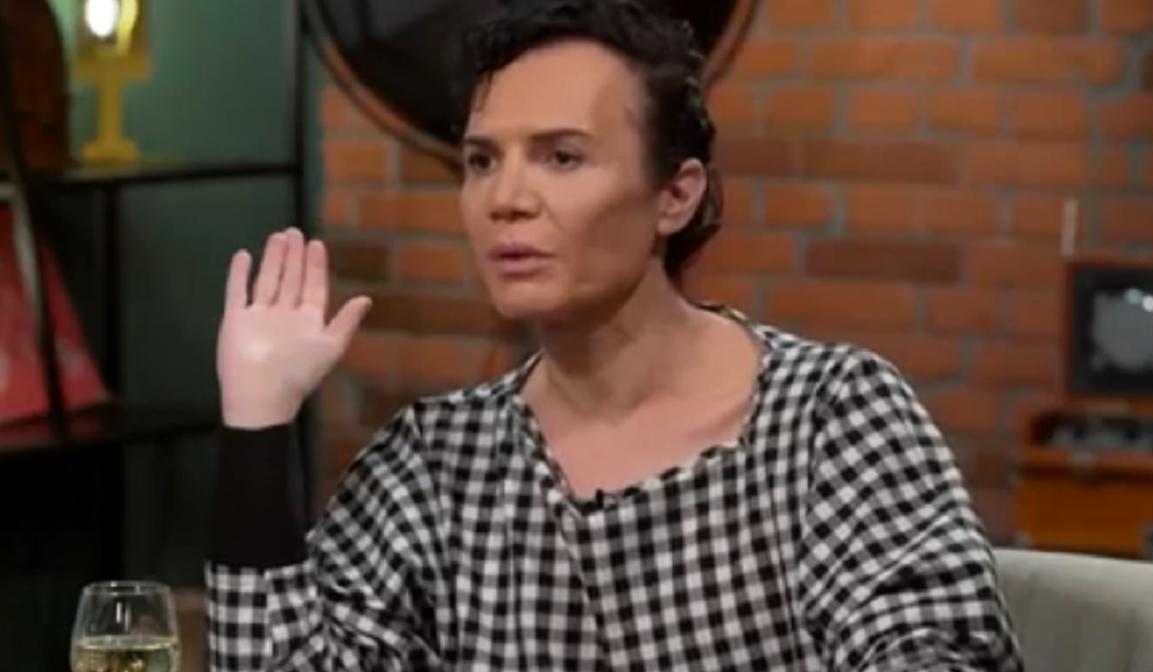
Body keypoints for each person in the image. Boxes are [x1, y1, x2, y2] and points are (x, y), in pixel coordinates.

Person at [206, 1, 1025, 670]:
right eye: (483, 161)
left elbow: (934, 653)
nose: (505, 199)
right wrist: (256, 421)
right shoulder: (437, 463)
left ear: (675, 195)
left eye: (561, 157)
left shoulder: (830, 418)